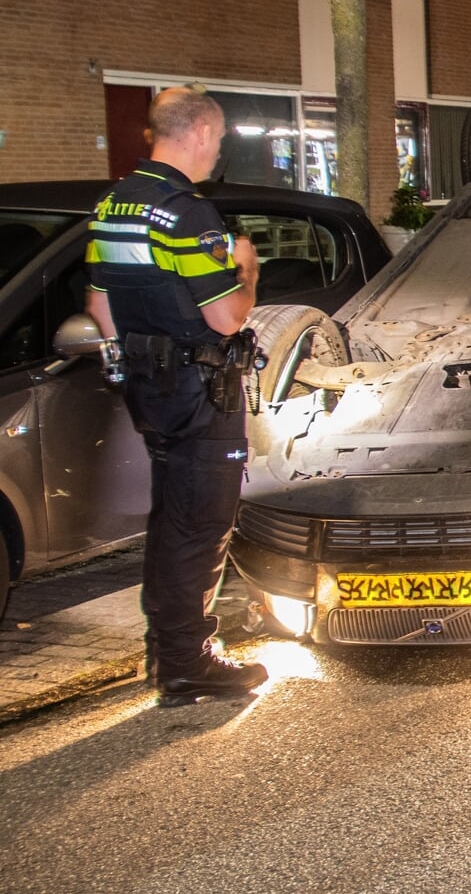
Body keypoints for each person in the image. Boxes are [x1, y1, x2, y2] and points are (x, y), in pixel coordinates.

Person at [86, 87, 268, 706]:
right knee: (200, 525)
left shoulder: (115, 204)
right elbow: (225, 318)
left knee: (171, 521)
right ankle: (190, 664)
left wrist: (136, 366)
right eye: (217, 139)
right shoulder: (186, 213)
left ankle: (166, 652)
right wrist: (246, 269)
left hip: (150, 388)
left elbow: (100, 306)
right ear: (197, 131)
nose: (216, 151)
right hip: (199, 390)